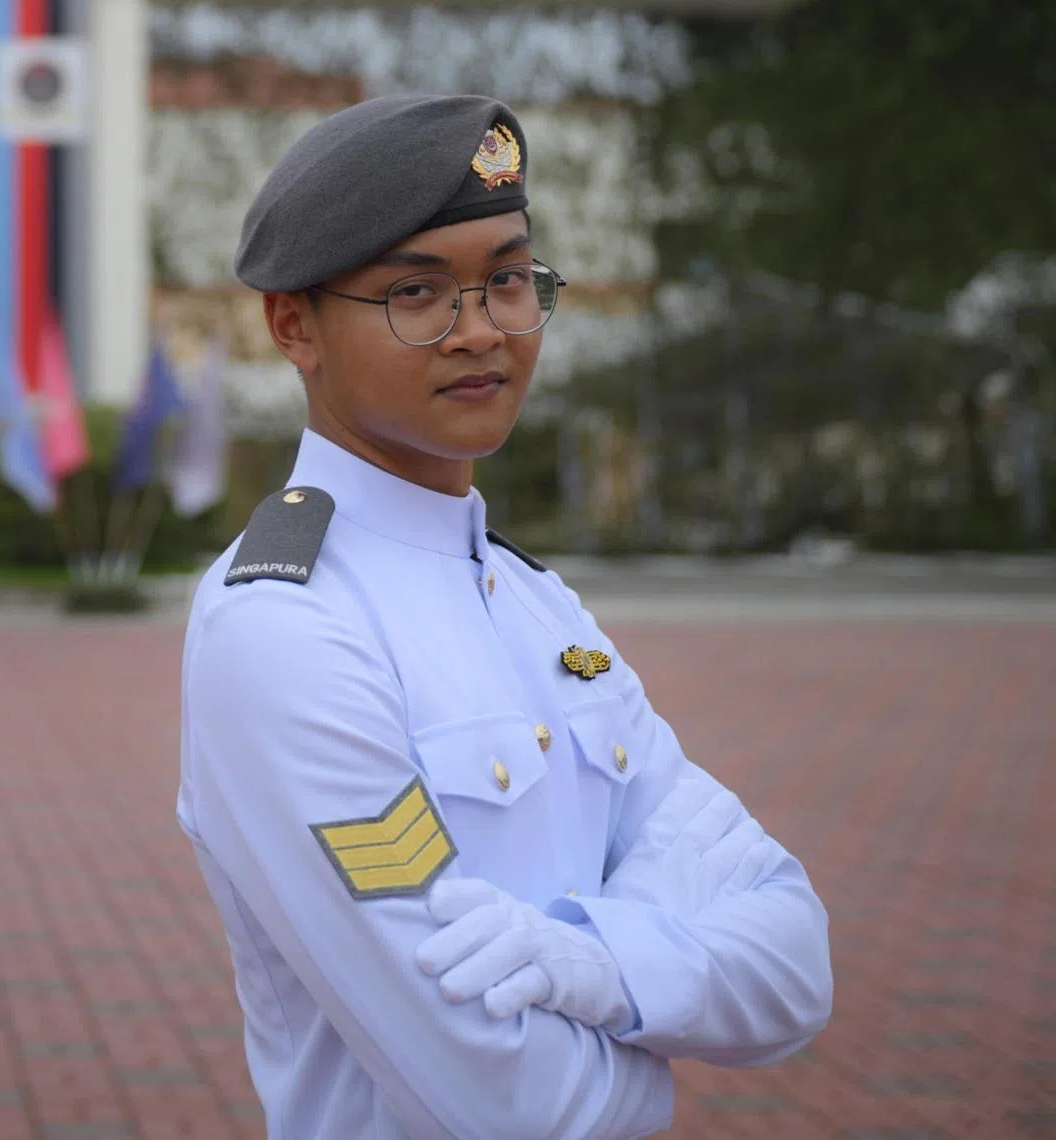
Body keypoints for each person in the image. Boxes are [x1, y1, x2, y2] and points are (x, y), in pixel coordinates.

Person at [178, 94, 832, 1140]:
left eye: (507, 280)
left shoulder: (538, 607)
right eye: (415, 292)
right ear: (293, 324)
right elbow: (507, 1105)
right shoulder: (288, 632)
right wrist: (654, 1061)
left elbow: (796, 963)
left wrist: (594, 964)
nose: (479, 329)